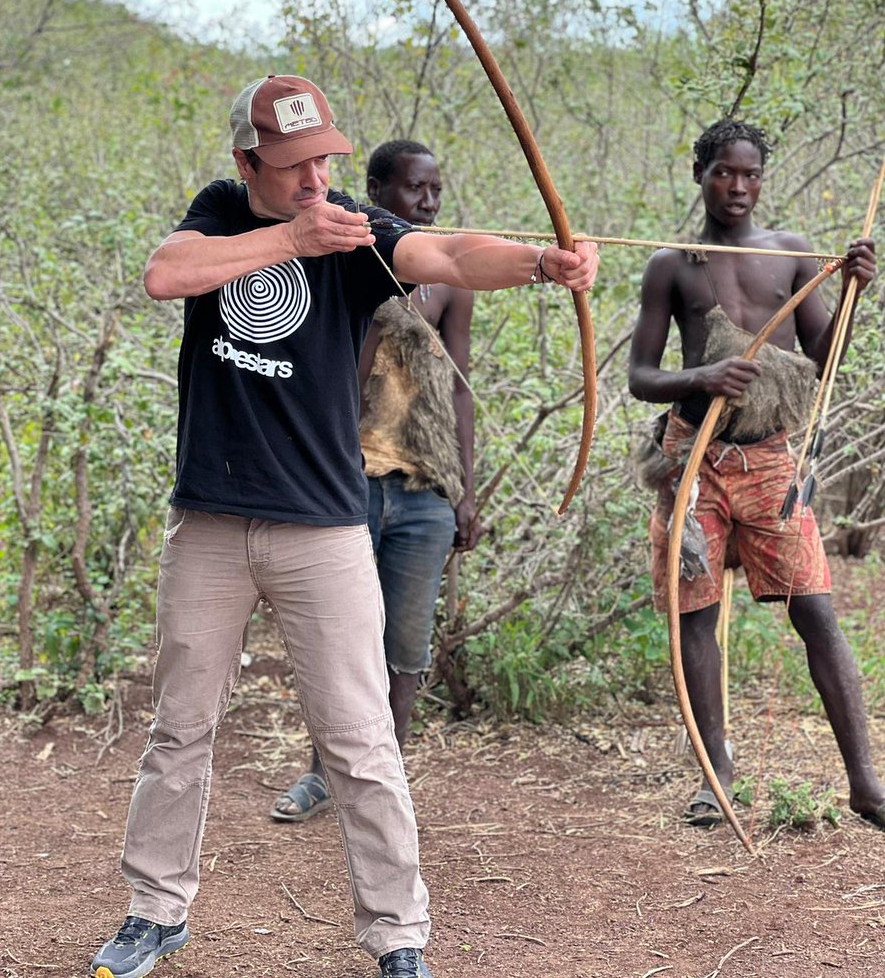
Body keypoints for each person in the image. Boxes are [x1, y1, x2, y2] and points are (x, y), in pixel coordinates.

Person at [89, 75, 599, 978]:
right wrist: (288, 238)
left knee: (360, 737)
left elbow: (446, 254)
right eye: (291, 167)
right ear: (248, 162)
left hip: (323, 526)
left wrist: (538, 263)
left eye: (323, 158)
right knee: (180, 728)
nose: (315, 179)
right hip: (209, 519)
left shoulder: (358, 229)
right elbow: (164, 275)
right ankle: (154, 912)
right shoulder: (217, 216)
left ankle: (397, 935)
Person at [627, 117, 884, 832]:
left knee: (818, 613)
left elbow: (826, 357)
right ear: (700, 174)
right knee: (696, 618)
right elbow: (642, 377)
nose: (737, 187)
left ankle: (866, 783)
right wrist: (703, 374)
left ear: (761, 181)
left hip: (770, 462)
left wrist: (857, 291)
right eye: (723, 173)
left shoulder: (793, 253)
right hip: (692, 460)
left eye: (749, 175)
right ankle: (716, 774)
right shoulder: (674, 264)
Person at [271, 139, 483, 825]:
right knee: (340, 639)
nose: (427, 202)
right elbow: (331, 372)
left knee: (405, 645)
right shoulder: (346, 265)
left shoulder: (448, 282)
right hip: (345, 483)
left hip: (423, 489)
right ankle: (320, 773)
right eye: (413, 189)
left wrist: (466, 489)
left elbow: (458, 387)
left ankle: (382, 780)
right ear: (374, 194)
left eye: (434, 189)